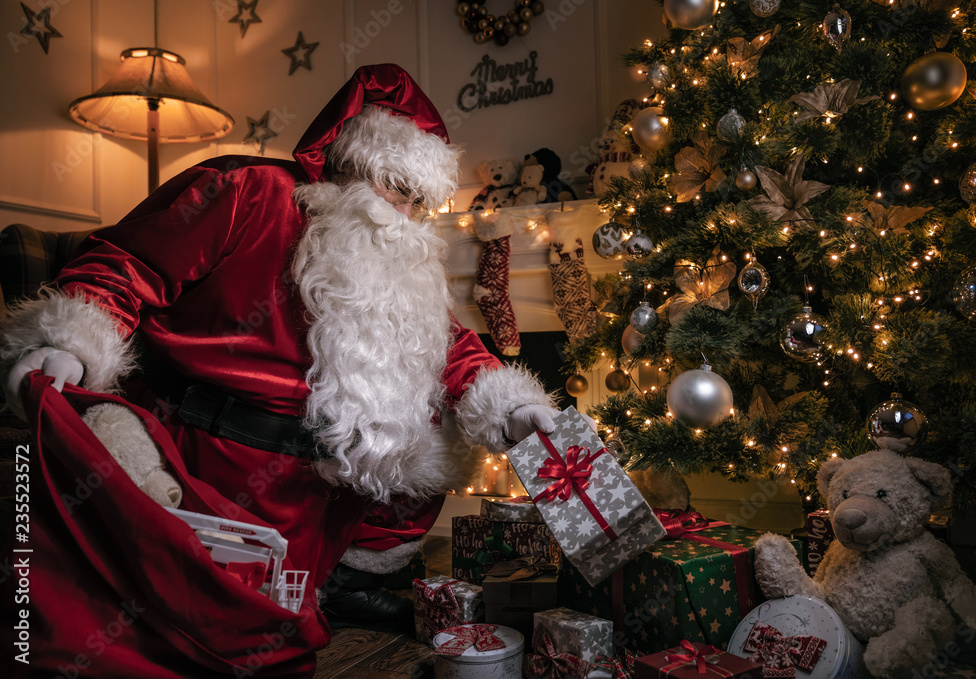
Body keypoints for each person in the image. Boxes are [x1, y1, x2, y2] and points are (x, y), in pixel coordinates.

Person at [0, 64, 560, 633]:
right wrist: (70, 340)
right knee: (223, 628)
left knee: (435, 436)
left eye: (419, 201)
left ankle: (344, 583)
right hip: (210, 453)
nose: (405, 216)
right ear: (355, 165)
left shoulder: (397, 257)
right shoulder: (247, 191)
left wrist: (513, 406)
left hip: (322, 471)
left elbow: (447, 344)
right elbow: (129, 265)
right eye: (397, 188)